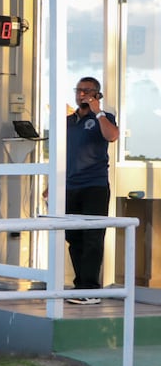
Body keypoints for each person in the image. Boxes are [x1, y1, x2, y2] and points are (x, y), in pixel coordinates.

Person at [60, 76, 119, 304]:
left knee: (93, 238)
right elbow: (64, 155)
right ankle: (79, 287)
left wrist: (99, 112)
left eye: (87, 91)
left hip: (94, 186)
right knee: (73, 238)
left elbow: (112, 136)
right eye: (79, 90)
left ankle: (90, 289)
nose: (81, 94)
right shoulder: (68, 122)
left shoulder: (104, 118)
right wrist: (51, 185)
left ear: (97, 94)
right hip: (71, 187)